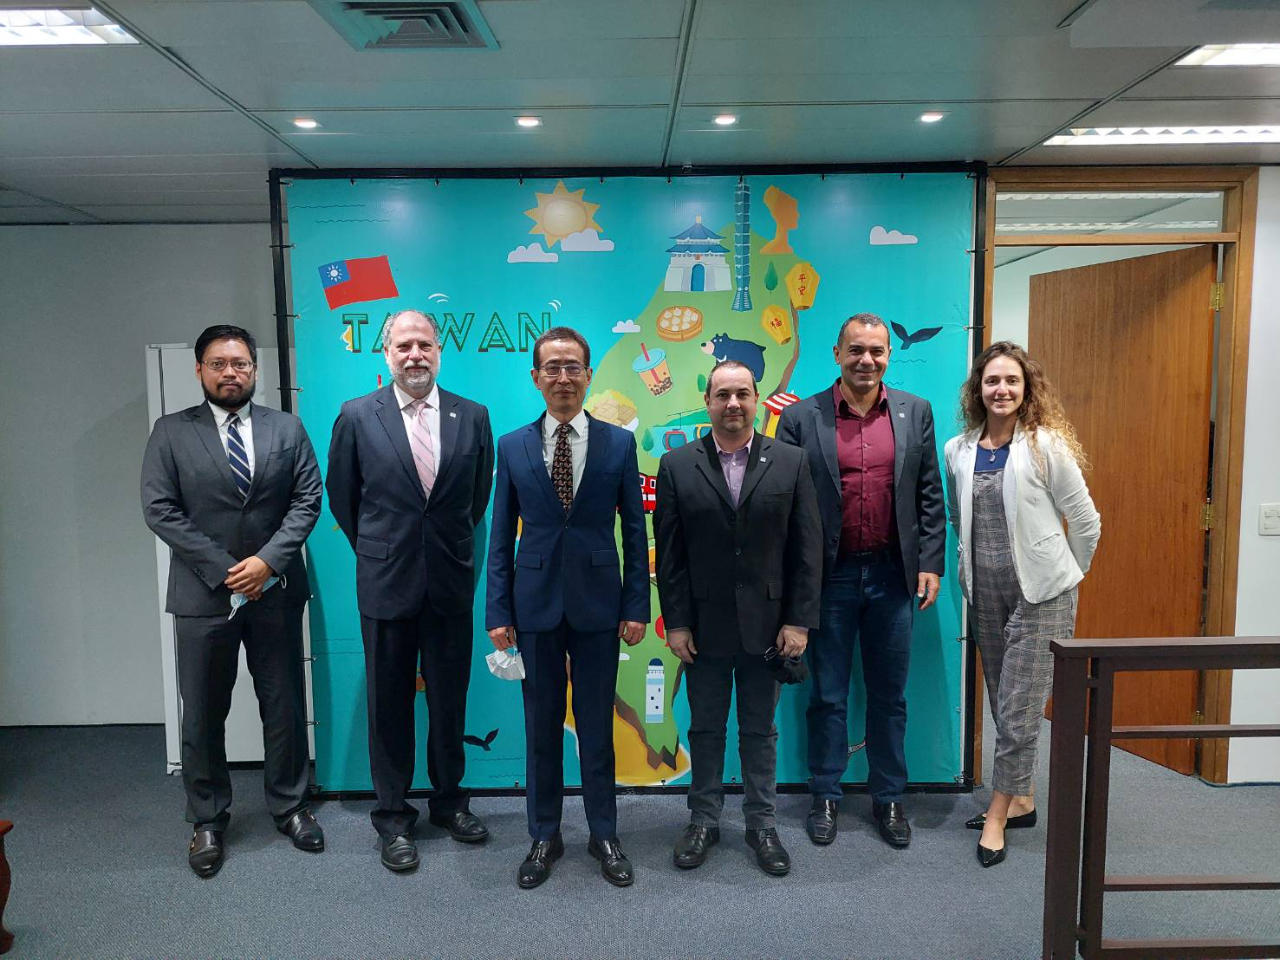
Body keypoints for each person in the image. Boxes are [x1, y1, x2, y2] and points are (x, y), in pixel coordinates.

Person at [142, 324, 323, 878]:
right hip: (203, 596)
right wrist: (227, 570)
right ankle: (207, 818)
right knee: (202, 712)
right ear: (199, 370)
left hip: (275, 593)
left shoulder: (286, 428)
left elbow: (307, 500)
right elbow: (159, 508)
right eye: (218, 364)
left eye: (240, 363)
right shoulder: (171, 432)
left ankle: (290, 806)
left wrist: (268, 562)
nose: (230, 373)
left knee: (284, 705)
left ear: (254, 370)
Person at [326, 309, 495, 872]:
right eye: (403, 346)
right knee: (388, 705)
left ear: (439, 351)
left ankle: (449, 804)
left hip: (449, 583)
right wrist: (383, 548)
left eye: (424, 344)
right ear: (387, 354)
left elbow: (475, 501)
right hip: (385, 582)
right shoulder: (356, 416)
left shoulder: (473, 416)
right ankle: (394, 818)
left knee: (450, 702)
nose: (415, 354)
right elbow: (344, 499)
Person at [485, 327, 648, 890]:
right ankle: (544, 834)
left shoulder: (618, 444)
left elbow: (634, 531)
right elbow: (500, 536)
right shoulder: (512, 445)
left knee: (597, 727)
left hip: (600, 606)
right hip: (533, 608)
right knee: (541, 729)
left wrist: (636, 604)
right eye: (551, 367)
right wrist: (498, 612)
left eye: (572, 366)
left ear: (588, 374)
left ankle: (604, 832)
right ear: (536, 378)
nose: (562, 377)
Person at [776, 312, 946, 850]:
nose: (866, 360)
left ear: (888, 356)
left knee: (889, 696)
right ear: (837, 354)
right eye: (856, 350)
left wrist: (931, 561)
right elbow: (785, 506)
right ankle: (825, 794)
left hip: (894, 577)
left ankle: (889, 796)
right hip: (829, 579)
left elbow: (929, 493)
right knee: (827, 695)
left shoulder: (916, 411)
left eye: (876, 351)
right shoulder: (800, 418)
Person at [654, 360, 823, 877]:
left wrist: (798, 621)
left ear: (755, 400)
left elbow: (807, 548)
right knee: (705, 728)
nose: (733, 404)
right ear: (707, 402)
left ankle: (761, 824)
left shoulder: (791, 461)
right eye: (722, 394)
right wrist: (676, 623)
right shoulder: (677, 465)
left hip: (770, 627)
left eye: (742, 394)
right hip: (702, 627)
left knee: (759, 731)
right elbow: (670, 555)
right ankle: (703, 820)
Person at [944, 341, 1100, 867]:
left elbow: (1086, 522)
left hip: (1042, 595)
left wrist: (1067, 575)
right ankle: (1023, 799)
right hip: (985, 591)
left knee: (1019, 709)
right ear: (978, 389)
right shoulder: (958, 450)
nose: (1002, 389)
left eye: (1012, 380)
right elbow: (956, 516)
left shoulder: (1045, 447)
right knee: (1000, 695)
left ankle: (997, 815)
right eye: (992, 381)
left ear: (1026, 387)